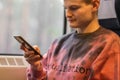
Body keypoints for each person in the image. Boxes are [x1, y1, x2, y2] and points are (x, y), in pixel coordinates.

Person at [21, 0, 120, 80]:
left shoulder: (109, 44)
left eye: (74, 8)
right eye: (66, 8)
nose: (67, 14)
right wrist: (35, 66)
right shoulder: (58, 44)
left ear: (95, 5)